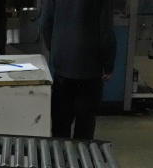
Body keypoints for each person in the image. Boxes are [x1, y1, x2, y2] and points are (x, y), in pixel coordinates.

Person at [40, 0, 115, 140]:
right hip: (90, 66)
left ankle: (59, 158)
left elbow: (45, 22)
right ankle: (81, 159)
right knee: (85, 122)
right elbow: (105, 31)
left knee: (60, 121)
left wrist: (56, 48)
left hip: (62, 64)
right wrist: (108, 64)